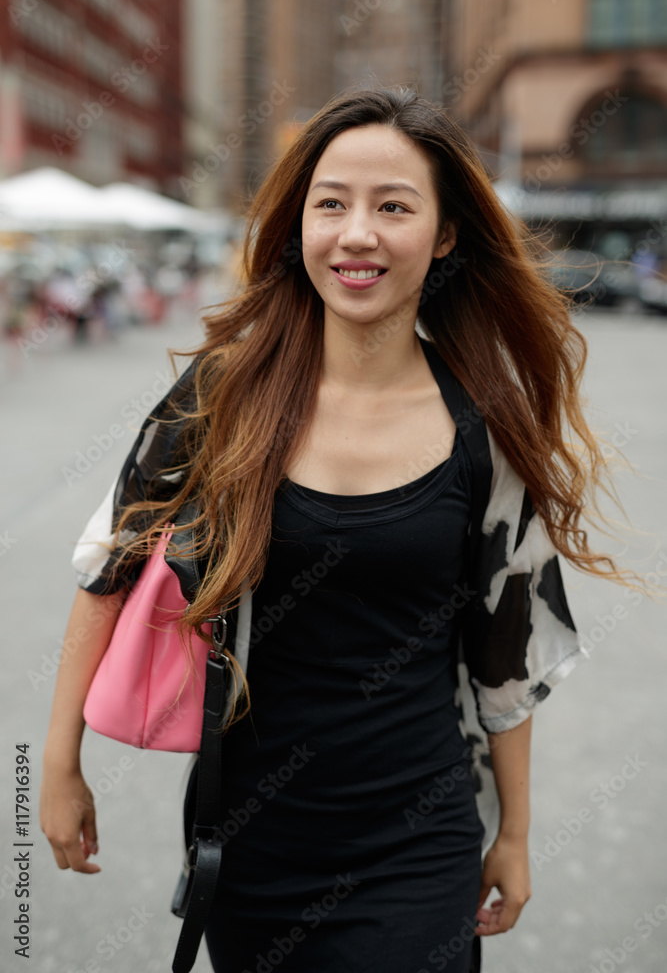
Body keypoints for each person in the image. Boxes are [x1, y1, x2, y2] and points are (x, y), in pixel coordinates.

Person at [40, 86, 632, 973]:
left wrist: (514, 831)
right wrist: (58, 764)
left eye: (392, 206)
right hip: (248, 835)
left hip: (420, 840)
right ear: (299, 226)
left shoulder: (482, 428)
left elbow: (507, 649)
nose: (356, 234)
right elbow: (109, 566)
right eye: (331, 205)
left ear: (442, 236)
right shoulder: (223, 398)